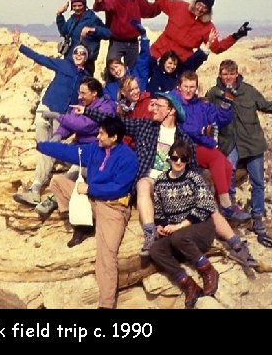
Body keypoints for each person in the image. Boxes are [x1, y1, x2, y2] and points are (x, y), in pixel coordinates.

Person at [77, 92, 259, 267]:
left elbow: (192, 168)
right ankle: (150, 235)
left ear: (171, 110)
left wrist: (197, 192)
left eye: (158, 105)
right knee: (142, 184)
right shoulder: (144, 127)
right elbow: (116, 122)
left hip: (174, 184)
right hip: (150, 180)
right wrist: (86, 111)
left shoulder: (184, 138)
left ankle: (237, 245)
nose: (153, 108)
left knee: (209, 205)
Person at [37, 117, 138, 309]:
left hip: (113, 207)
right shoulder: (94, 149)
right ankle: (82, 225)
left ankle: (106, 305)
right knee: (57, 182)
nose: (98, 136)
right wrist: (42, 146)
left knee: (106, 255)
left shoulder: (128, 158)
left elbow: (118, 188)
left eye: (101, 134)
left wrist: (90, 188)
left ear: (114, 137)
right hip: (91, 201)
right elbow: (68, 151)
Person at [205, 59, 272, 239]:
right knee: (227, 175)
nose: (228, 77)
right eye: (225, 74)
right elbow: (204, 113)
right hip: (229, 143)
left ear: (237, 74)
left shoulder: (248, 91)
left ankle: (257, 218)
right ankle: (231, 211)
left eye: (231, 74)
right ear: (220, 75)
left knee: (258, 182)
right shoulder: (214, 93)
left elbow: (268, 106)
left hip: (252, 142)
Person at [11, 32, 90, 206]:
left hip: (61, 116)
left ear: (86, 57)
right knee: (43, 134)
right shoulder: (63, 65)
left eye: (82, 53)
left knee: (49, 150)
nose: (78, 55)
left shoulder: (86, 76)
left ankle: (36, 188)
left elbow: (89, 96)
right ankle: (41, 175)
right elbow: (41, 59)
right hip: (47, 106)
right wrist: (20, 46)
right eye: (76, 52)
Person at [28, 77, 116, 218]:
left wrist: (57, 116)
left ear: (94, 93)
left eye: (83, 93)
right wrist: (58, 135)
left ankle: (53, 199)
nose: (79, 96)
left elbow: (84, 125)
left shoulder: (105, 107)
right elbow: (70, 122)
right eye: (79, 93)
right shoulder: (82, 103)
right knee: (52, 148)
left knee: (77, 169)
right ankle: (36, 186)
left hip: (92, 152)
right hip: (77, 146)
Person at [173, 71, 251, 223]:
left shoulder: (200, 104)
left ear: (196, 87)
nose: (189, 90)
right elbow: (186, 128)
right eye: (186, 86)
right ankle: (227, 206)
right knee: (215, 158)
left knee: (227, 166)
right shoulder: (176, 104)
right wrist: (202, 131)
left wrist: (226, 104)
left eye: (192, 87)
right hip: (187, 146)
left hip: (203, 144)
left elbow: (219, 120)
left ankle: (221, 204)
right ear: (179, 87)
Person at [150, 139, 220, 308]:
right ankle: (189, 285)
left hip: (201, 227)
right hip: (178, 233)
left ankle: (207, 270)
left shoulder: (193, 178)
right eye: (175, 158)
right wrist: (160, 225)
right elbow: (159, 211)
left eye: (183, 159)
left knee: (178, 237)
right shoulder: (160, 181)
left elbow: (207, 205)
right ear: (169, 159)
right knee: (155, 250)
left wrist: (181, 225)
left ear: (188, 160)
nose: (179, 162)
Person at [149, 0, 252, 66]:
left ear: (208, 11)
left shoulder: (208, 27)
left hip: (177, 64)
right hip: (157, 52)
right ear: (195, 3)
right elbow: (160, 2)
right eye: (199, 4)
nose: (200, 9)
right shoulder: (180, 7)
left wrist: (236, 36)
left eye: (204, 8)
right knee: (139, 80)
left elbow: (217, 48)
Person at [93, 0, 160, 72]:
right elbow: (100, 7)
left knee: (132, 73)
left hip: (133, 43)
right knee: (111, 69)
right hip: (116, 42)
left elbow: (151, 10)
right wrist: (99, 2)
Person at [56, 0, 111, 75]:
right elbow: (64, 31)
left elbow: (108, 33)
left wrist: (92, 30)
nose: (77, 8)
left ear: (84, 5)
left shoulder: (92, 18)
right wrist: (59, 15)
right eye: (74, 6)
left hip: (86, 63)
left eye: (80, 5)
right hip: (70, 61)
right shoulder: (72, 19)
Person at [103, 20, 150, 101]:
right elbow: (106, 102)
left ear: (123, 65)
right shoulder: (110, 88)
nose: (116, 70)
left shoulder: (137, 73)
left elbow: (144, 57)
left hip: (141, 108)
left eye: (117, 66)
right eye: (112, 70)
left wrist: (144, 36)